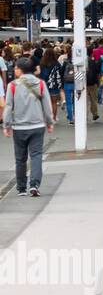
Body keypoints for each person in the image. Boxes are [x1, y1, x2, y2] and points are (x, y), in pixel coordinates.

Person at [4, 57, 55, 197]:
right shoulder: (41, 84)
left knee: (20, 158)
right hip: (37, 125)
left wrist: (6, 125)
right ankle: (35, 185)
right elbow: (47, 105)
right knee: (36, 155)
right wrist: (49, 122)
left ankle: (21, 188)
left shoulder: (12, 86)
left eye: (15, 68)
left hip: (19, 127)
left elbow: (8, 107)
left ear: (20, 70)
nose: (14, 70)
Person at [85, 41, 102, 123]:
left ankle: (84, 115)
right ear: (92, 52)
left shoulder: (83, 61)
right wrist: (98, 82)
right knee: (93, 100)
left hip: (84, 82)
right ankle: (94, 114)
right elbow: (97, 72)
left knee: (84, 100)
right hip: (93, 83)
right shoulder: (94, 61)